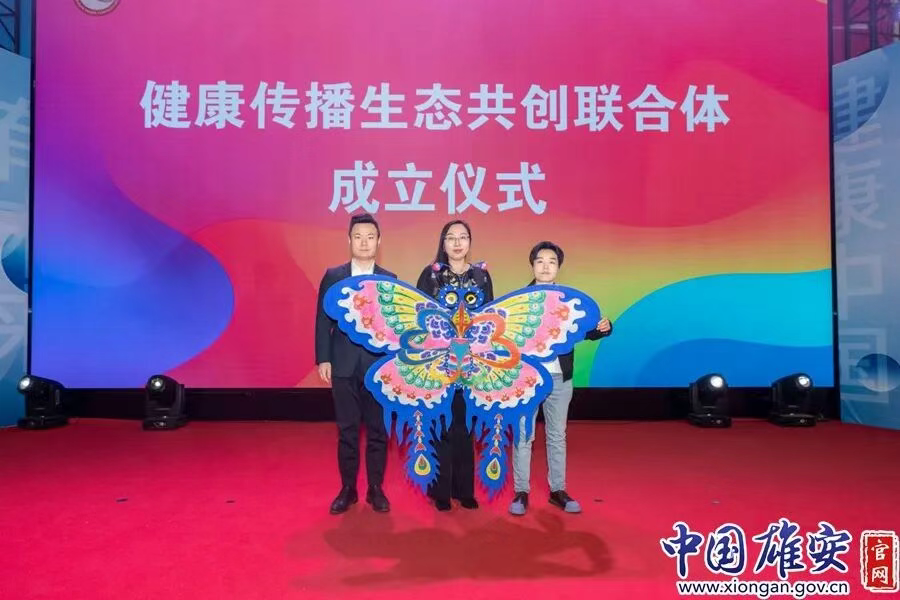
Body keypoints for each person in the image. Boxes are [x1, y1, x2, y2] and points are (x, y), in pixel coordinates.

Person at [509, 241, 612, 516]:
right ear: (532, 265)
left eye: (551, 262)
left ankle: (558, 490)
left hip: (560, 378)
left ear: (558, 267)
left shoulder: (570, 302)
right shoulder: (519, 303)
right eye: (540, 261)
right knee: (523, 435)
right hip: (528, 380)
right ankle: (521, 491)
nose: (545, 267)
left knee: (557, 436)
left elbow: (586, 330)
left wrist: (603, 328)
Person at [315, 213, 395, 514]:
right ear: (349, 240)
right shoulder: (333, 276)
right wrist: (323, 358)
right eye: (358, 237)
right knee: (347, 430)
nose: (364, 242)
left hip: (377, 368)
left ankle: (376, 488)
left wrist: (394, 365)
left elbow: (394, 327)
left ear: (379, 241)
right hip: (343, 364)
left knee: (377, 430)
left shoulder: (389, 280)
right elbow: (322, 320)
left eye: (370, 237)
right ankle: (347, 489)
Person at [415, 220, 494, 511]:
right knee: (441, 424)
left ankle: (464, 490)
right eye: (451, 238)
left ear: (470, 242)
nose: (457, 243)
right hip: (439, 362)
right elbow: (419, 316)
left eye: (463, 237)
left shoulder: (481, 275)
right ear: (443, 243)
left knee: (465, 425)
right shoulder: (431, 274)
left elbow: (489, 317)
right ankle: (441, 492)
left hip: (472, 362)